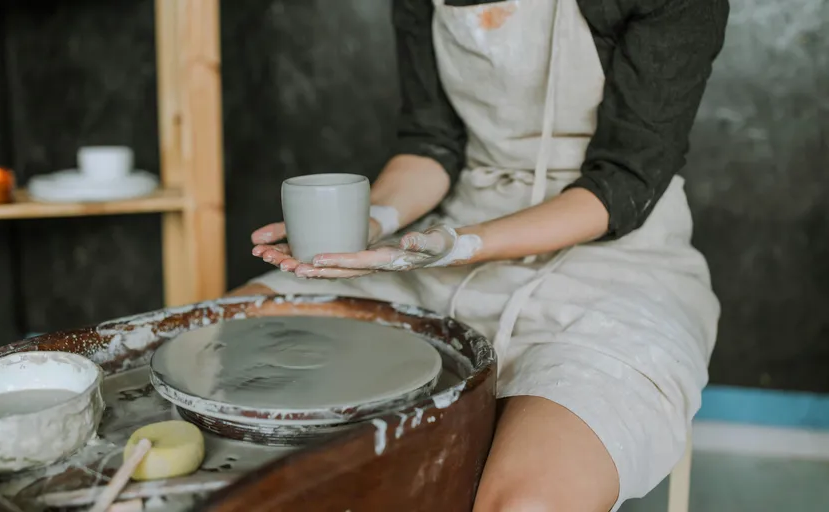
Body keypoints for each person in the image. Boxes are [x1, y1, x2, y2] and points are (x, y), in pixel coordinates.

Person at [234, 0, 729, 509]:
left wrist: (459, 246)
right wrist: (370, 225)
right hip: (442, 244)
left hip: (614, 257)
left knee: (524, 503)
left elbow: (625, 183)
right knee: (223, 341)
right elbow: (432, 144)